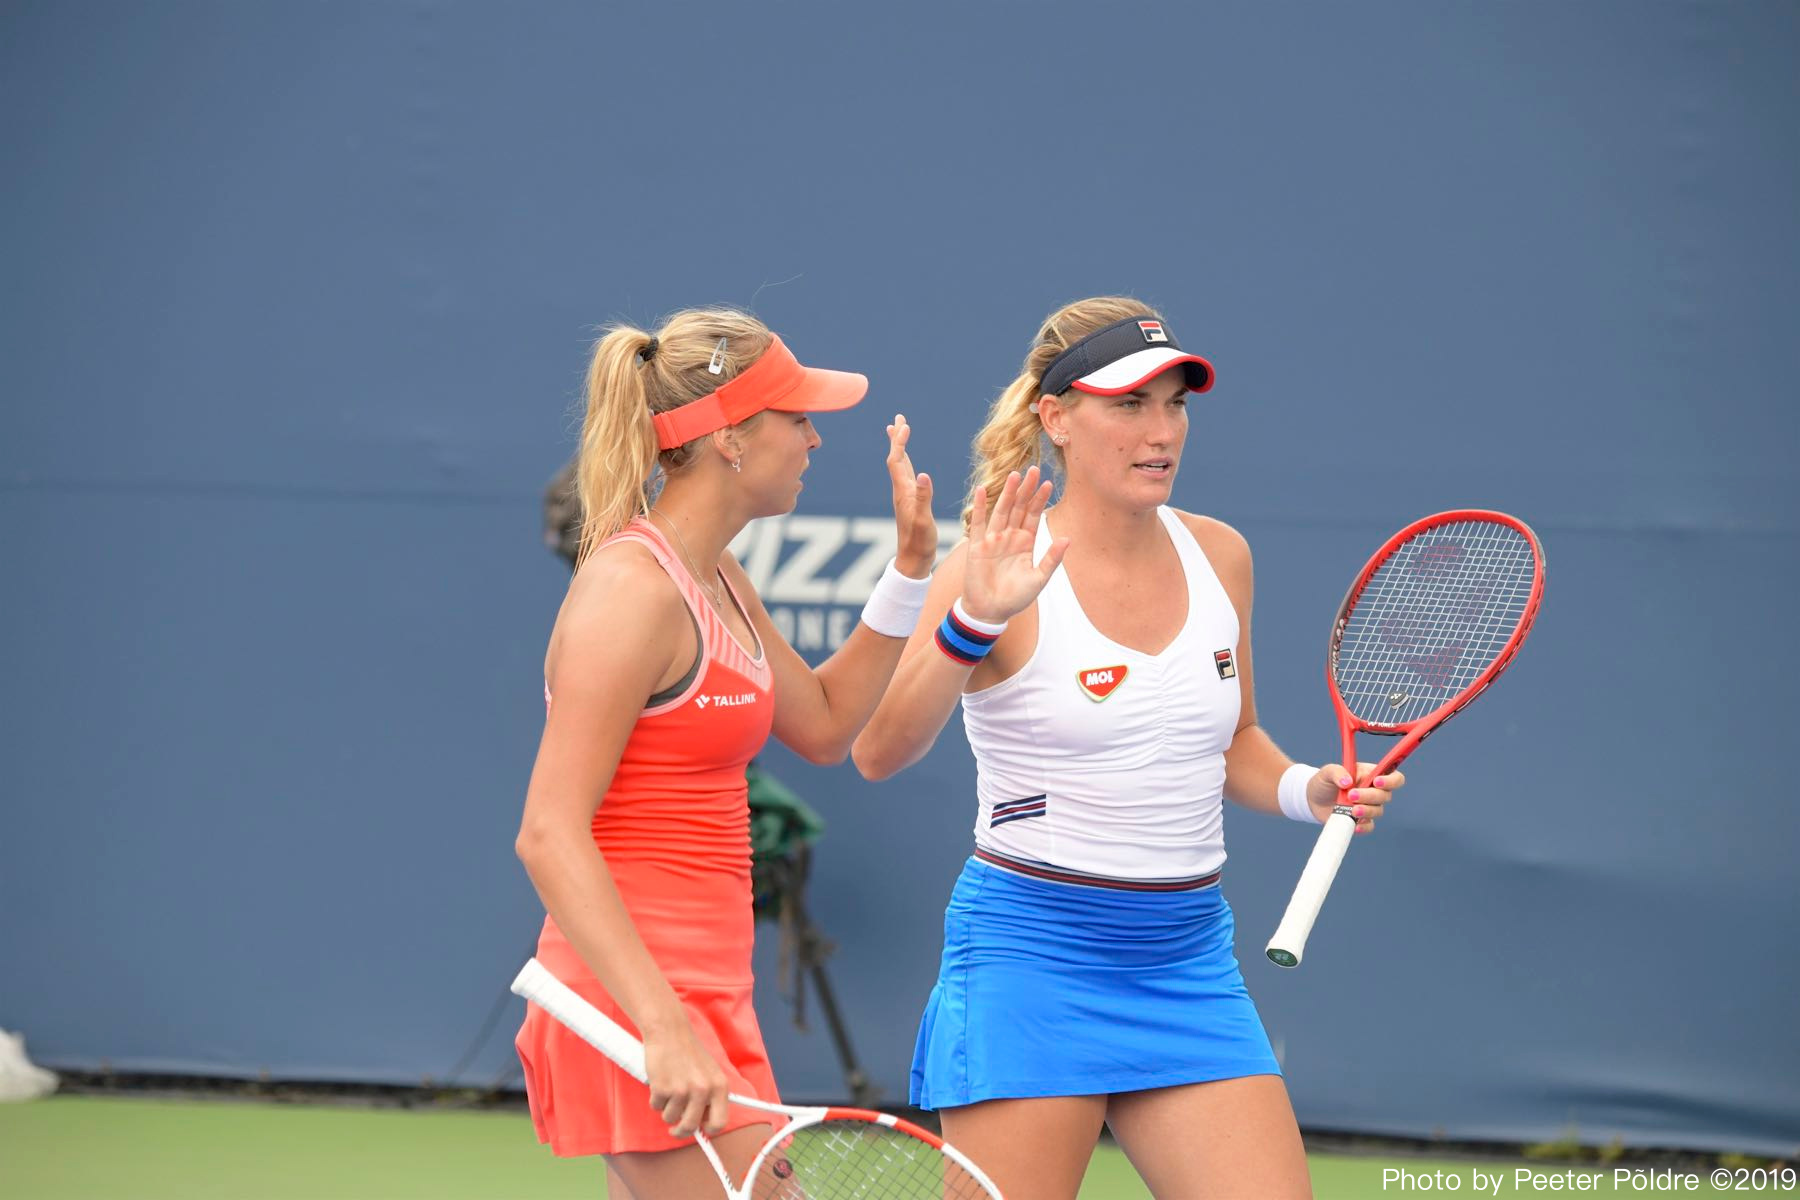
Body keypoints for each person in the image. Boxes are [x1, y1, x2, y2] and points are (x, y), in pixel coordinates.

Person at [851, 296, 1406, 1199]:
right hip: (1031, 959)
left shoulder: (1221, 554)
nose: (1162, 432)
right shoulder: (991, 567)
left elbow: (1235, 745)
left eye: (1175, 404)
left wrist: (1314, 790)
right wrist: (971, 621)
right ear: (1056, 419)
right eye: (1129, 405)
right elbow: (878, 750)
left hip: (1186, 960)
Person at [514, 307, 938, 1199]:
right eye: (797, 418)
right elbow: (549, 833)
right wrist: (661, 1023)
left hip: (702, 992)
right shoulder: (630, 594)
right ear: (729, 440)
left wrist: (909, 571)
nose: (816, 439)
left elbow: (823, 725)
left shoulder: (718, 575)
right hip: (631, 1001)